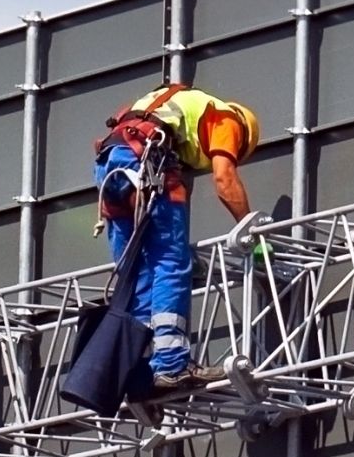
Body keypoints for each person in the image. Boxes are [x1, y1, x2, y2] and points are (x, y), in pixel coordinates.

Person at [93, 82, 260, 392]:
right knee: (170, 262)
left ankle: (140, 374)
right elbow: (225, 178)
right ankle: (171, 363)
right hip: (144, 163)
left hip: (110, 165)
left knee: (137, 271)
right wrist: (250, 229)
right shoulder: (228, 119)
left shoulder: (167, 105)